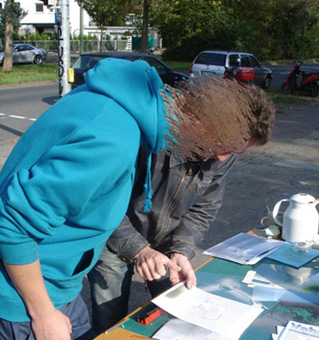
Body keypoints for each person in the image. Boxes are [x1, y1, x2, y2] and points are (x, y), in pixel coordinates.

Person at [0, 58, 175, 340]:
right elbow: (13, 226)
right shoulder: (112, 140)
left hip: (60, 286)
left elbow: (91, 202)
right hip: (27, 299)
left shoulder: (108, 101)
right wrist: (43, 314)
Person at [88, 77, 276, 334]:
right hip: (112, 236)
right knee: (111, 324)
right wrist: (139, 250)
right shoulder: (150, 135)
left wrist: (181, 250)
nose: (223, 157)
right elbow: (101, 202)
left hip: (166, 241)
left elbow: (204, 209)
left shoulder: (223, 154)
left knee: (177, 317)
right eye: (226, 143)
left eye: (236, 151)